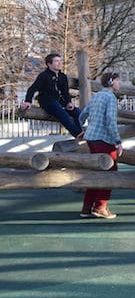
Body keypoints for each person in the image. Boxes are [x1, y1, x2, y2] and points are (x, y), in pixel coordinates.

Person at [78, 72, 123, 219]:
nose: (119, 83)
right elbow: (110, 121)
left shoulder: (97, 96)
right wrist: (118, 142)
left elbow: (83, 114)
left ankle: (87, 206)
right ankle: (100, 207)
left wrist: (83, 129)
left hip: (91, 138)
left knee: (96, 172)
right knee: (111, 171)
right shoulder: (110, 98)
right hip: (104, 140)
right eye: (117, 80)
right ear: (111, 82)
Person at [20, 53, 83, 138]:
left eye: (60, 61)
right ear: (49, 64)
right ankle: (78, 134)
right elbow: (32, 89)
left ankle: (81, 132)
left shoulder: (62, 76)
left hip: (60, 101)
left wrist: (68, 102)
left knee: (77, 112)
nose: (60, 63)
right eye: (57, 61)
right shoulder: (44, 76)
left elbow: (65, 92)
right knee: (62, 114)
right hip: (47, 100)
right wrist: (28, 101)